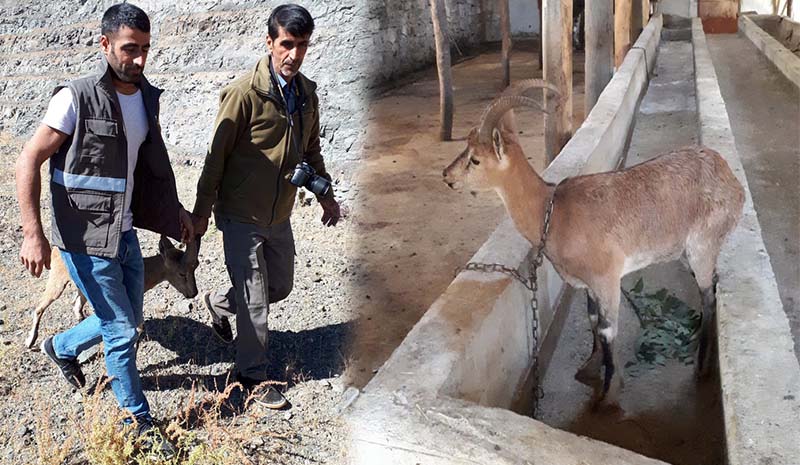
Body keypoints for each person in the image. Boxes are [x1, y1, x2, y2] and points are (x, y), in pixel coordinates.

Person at [15, 3, 192, 457]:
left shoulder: (145, 98)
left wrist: (176, 213)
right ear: (105, 45)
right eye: (130, 49)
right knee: (122, 331)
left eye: (145, 50)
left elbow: (148, 169)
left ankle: (60, 345)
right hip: (83, 239)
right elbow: (29, 159)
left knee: (128, 320)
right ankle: (141, 421)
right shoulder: (74, 98)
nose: (138, 59)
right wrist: (33, 233)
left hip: (125, 233)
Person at [192, 3, 341, 409]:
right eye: (287, 45)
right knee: (256, 299)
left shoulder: (306, 94)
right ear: (270, 42)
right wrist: (201, 212)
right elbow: (215, 157)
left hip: (280, 214)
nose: (294, 55)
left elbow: (311, 151)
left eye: (303, 46)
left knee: (281, 285)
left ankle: (220, 304)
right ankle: (251, 377)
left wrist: (325, 195)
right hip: (241, 213)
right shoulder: (244, 94)